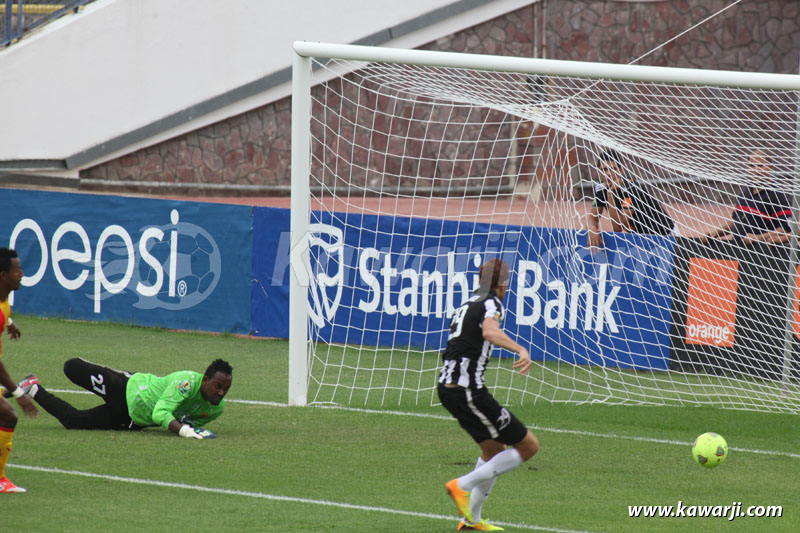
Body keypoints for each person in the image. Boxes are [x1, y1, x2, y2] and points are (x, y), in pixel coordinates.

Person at [438, 258, 539, 531]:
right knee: (529, 446)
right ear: (503, 284)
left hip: (450, 388)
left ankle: (471, 521)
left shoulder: (468, 303)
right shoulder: (491, 304)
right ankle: (462, 485)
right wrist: (520, 349)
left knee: (493, 450)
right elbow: (490, 331)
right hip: (466, 389)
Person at [16, 357, 232, 439]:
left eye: (225, 389)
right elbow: (160, 413)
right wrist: (184, 431)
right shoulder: (185, 382)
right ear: (205, 380)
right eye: (218, 386)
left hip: (130, 420)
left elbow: (189, 422)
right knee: (71, 367)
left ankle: (32, 387)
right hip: (126, 388)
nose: (221, 393)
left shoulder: (217, 409)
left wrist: (189, 427)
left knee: (72, 422)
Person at [0, 248, 38, 493]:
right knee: (9, 414)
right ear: (4, 275)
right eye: (17, 270)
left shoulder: (3, 301)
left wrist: (11, 324)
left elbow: (4, 310)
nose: (22, 274)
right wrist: (19, 393)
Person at [587, 149, 676, 249]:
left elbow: (618, 227)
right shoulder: (601, 188)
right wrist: (592, 228)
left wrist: (610, 194)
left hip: (664, 235)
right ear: (599, 172)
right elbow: (592, 218)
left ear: (620, 170)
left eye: (613, 169)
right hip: (639, 237)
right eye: (604, 169)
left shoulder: (631, 188)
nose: (608, 173)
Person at [706, 149, 792, 245]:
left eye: (760, 166)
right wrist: (716, 233)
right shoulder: (744, 192)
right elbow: (737, 221)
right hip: (738, 249)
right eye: (751, 166)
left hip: (762, 252)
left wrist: (759, 237)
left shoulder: (778, 195)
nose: (756, 170)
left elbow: (785, 228)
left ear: (770, 167)